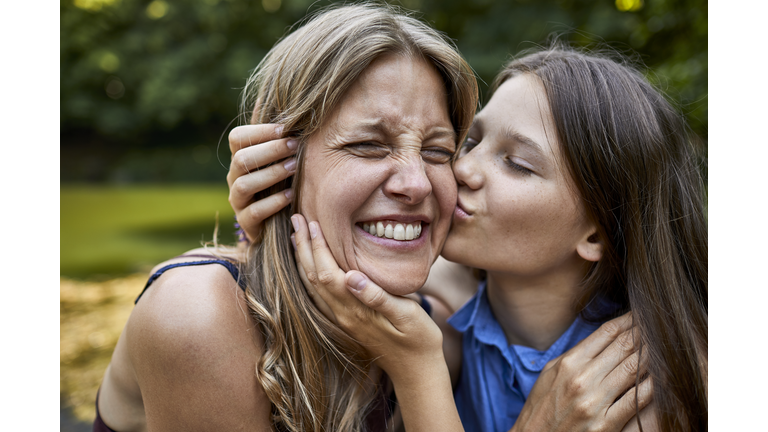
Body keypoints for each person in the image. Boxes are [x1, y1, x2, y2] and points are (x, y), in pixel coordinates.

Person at [229, 46, 708, 431]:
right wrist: (275, 212)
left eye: (517, 164)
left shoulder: (643, 387)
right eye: (471, 142)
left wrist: (418, 366)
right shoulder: (450, 316)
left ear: (596, 233)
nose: (460, 169)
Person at [94, 4, 478, 432]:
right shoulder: (199, 313)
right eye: (369, 144)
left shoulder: (438, 331)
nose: (418, 183)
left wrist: (418, 365)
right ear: (277, 163)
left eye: (437, 151)